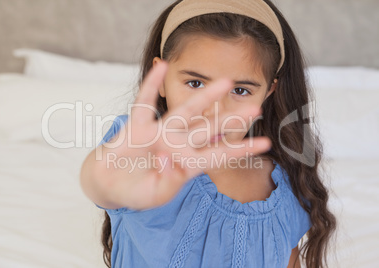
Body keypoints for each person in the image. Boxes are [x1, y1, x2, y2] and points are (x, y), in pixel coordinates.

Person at [80, 0, 336, 267]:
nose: (214, 111)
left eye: (240, 90)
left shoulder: (290, 182)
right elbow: (102, 182)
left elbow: (287, 258)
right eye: (195, 83)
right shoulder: (142, 154)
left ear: (268, 92)